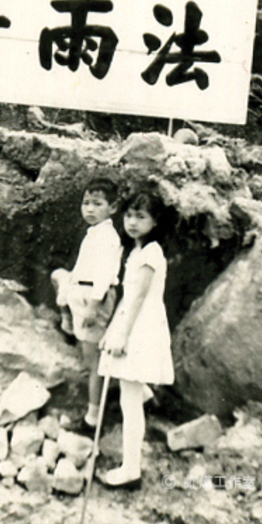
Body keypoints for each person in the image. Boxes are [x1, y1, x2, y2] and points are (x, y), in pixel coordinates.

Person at [98, 183, 174, 488]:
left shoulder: (151, 254)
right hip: (132, 322)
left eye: (140, 217)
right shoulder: (136, 250)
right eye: (129, 215)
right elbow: (128, 298)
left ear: (154, 222)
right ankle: (148, 395)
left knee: (129, 402)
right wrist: (111, 331)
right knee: (129, 385)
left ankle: (131, 470)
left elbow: (139, 299)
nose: (132, 222)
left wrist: (122, 336)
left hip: (142, 328)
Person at [51, 176, 122, 434]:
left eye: (98, 203)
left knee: (93, 363)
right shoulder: (95, 233)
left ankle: (93, 417)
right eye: (86, 203)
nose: (90, 209)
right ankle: (68, 323)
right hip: (80, 291)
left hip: (94, 296)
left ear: (112, 208)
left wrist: (93, 305)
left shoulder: (109, 238)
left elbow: (104, 275)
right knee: (57, 275)